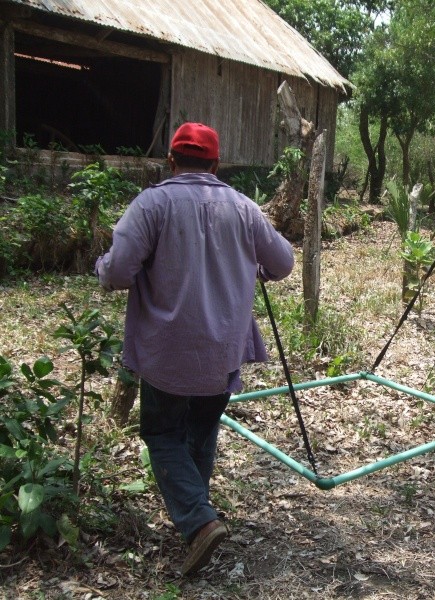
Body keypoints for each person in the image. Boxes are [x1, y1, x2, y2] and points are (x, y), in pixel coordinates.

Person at [96, 123, 294, 575]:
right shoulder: (243, 207)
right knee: (200, 434)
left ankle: (199, 521)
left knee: (163, 435)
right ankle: (197, 518)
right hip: (222, 352)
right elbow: (282, 262)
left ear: (171, 161)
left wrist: (103, 269)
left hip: (167, 352)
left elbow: (119, 270)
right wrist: (250, 266)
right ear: (216, 164)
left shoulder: (152, 203)